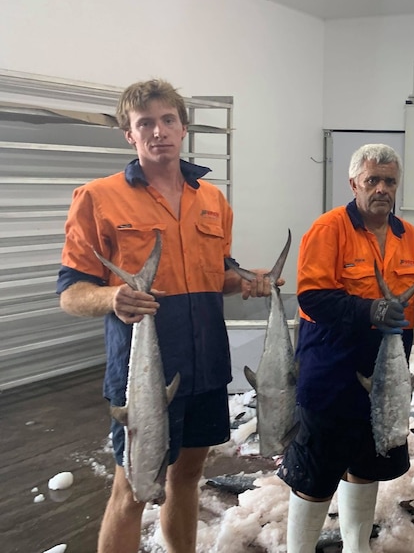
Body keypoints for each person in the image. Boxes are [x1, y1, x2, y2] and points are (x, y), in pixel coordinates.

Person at [57, 79, 273, 553]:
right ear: (128, 135)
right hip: (143, 373)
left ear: (184, 127)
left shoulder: (212, 200)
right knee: (133, 489)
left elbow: (215, 276)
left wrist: (247, 281)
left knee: (188, 478)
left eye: (167, 120)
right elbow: (71, 293)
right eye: (145, 124)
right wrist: (111, 299)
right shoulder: (97, 197)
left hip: (207, 366)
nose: (159, 131)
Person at [279, 143, 414, 553]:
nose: (382, 188)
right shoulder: (328, 229)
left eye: (390, 181)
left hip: (388, 373)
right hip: (331, 369)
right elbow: (313, 297)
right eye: (372, 180)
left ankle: (355, 547)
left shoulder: (408, 236)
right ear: (354, 183)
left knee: (367, 460)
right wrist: (370, 310)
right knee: (317, 471)